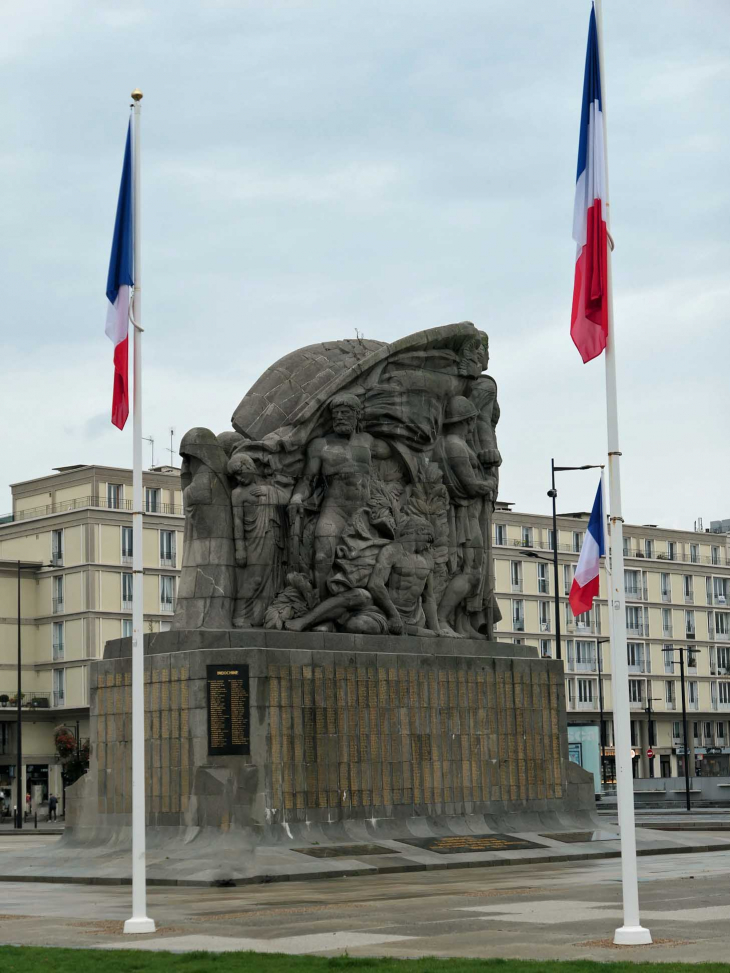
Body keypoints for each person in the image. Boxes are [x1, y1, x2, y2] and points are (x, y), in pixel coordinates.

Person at [287, 394, 390, 600]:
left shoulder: (369, 441)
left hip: (365, 512)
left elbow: (398, 447)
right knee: (322, 555)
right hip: (335, 510)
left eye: (345, 413)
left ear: (357, 415)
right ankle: (321, 606)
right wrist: (297, 497)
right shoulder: (320, 445)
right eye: (336, 414)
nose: (340, 417)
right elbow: (307, 480)